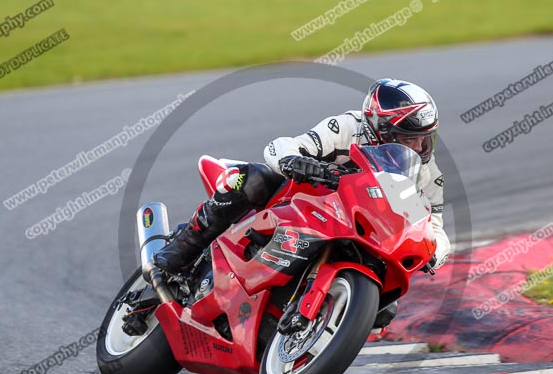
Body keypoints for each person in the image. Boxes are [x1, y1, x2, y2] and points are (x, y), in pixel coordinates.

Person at [153, 78, 451, 277]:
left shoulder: (427, 174)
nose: (417, 147)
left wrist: (433, 251)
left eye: (423, 139)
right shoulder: (346, 127)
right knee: (251, 179)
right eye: (407, 138)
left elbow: (434, 225)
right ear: (379, 128)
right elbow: (282, 146)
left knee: (386, 306)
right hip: (305, 201)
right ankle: (185, 244)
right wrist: (298, 162)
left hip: (357, 226)